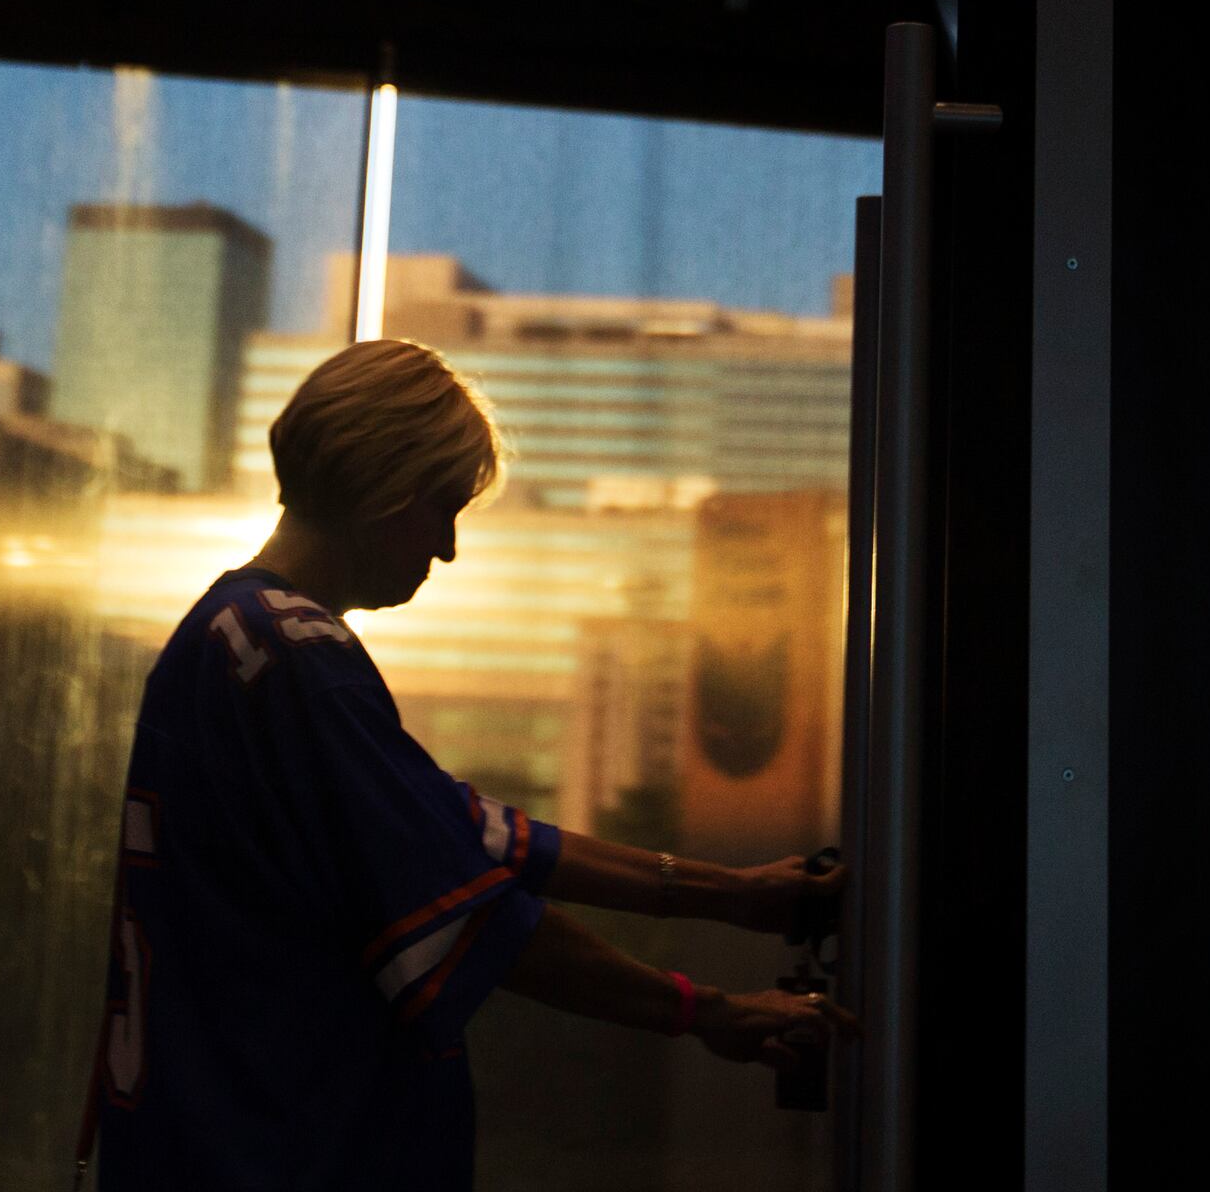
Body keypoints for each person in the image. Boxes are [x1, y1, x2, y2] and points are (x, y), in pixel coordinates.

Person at [87, 336, 845, 1188]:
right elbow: (475, 920)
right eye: (443, 507)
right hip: (286, 1155)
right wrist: (710, 1013)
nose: (446, 548)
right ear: (384, 488)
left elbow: (479, 837)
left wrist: (733, 895)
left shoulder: (226, 637)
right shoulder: (297, 657)